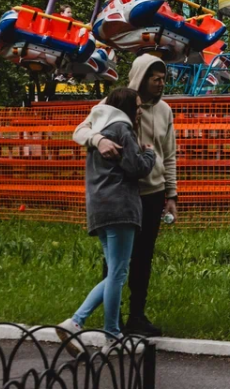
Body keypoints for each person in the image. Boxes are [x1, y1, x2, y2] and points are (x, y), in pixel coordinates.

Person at [73, 54, 177, 337]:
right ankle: (113, 318)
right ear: (141, 77)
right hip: (124, 194)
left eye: (163, 78)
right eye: (155, 78)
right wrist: (100, 139)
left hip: (152, 193)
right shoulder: (113, 105)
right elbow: (81, 131)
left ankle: (137, 316)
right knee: (116, 263)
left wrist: (172, 195)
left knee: (143, 259)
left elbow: (168, 155)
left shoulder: (165, 110)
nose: (160, 83)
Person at [57, 88, 155, 352]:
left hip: (99, 207)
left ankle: (74, 324)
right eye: (136, 106)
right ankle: (111, 335)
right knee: (119, 273)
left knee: (114, 272)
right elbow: (136, 168)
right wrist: (149, 154)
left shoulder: (99, 131)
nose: (140, 111)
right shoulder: (122, 128)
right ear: (125, 107)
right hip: (121, 206)